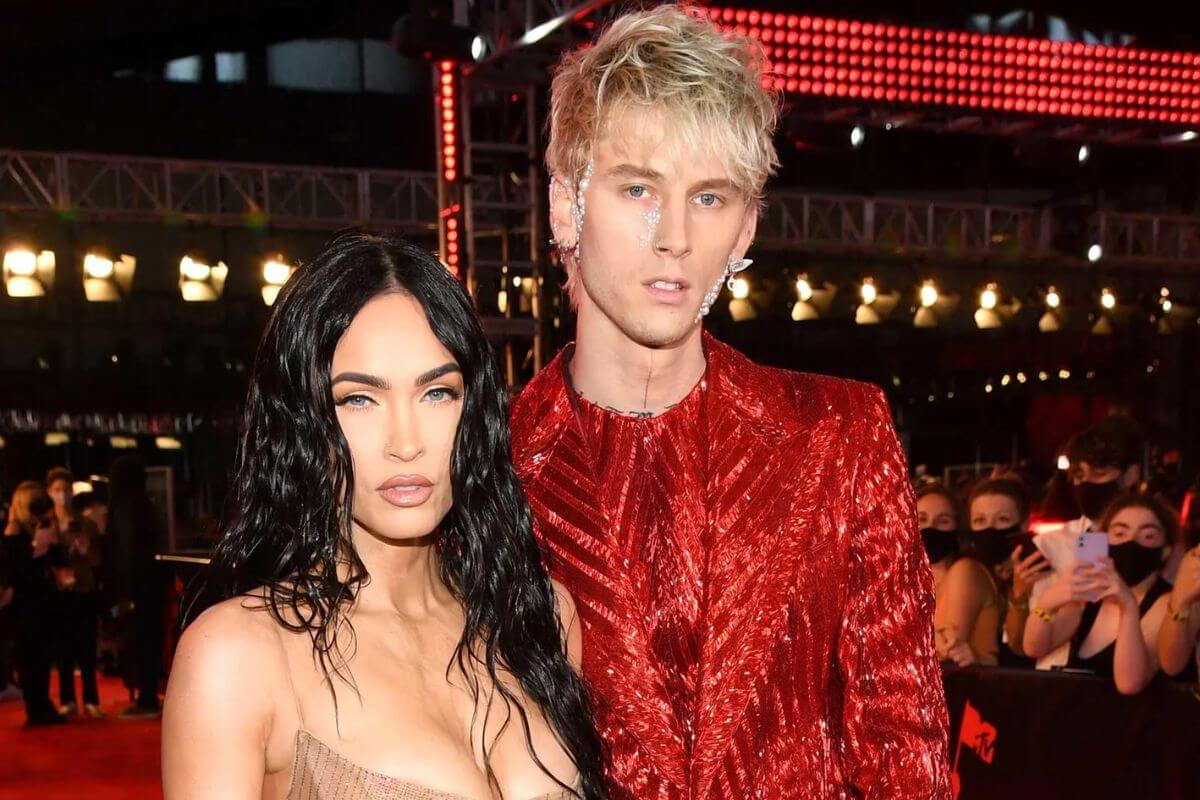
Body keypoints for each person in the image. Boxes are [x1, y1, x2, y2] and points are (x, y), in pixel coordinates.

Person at [509, 7, 950, 798]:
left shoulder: (841, 436)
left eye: (709, 198)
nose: (674, 235)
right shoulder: (488, 466)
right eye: (638, 188)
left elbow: (905, 758)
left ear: (746, 227)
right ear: (565, 204)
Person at [163, 235, 606, 799]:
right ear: (303, 422)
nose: (406, 442)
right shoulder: (237, 657)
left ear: (474, 411)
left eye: (437, 393)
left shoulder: (540, 616)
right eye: (359, 399)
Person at [1024, 493, 1175, 694]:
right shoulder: (1091, 594)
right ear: (1104, 541)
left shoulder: (1168, 603)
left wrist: (1129, 607)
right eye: (1120, 534)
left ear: (1165, 551)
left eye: (1148, 536)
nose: (1131, 542)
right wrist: (1047, 604)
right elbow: (1035, 648)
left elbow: (1129, 683)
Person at [935, 477, 1045, 666]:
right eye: (980, 520)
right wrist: (1019, 598)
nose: (989, 529)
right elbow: (949, 649)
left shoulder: (1038, 570)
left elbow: (1025, 646)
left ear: (1024, 523)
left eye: (1002, 519)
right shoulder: (969, 572)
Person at [1, 481, 65, 726]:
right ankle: (35, 709)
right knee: (29, 659)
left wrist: (51, 542)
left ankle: (43, 705)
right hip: (23, 607)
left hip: (42, 603)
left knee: (42, 657)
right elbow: (17, 573)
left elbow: (56, 560)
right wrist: (37, 550)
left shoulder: (37, 530)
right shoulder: (13, 535)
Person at [46, 467, 104, 719]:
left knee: (86, 646)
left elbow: (96, 558)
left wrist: (84, 547)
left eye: (66, 489)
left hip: (82, 588)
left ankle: (91, 699)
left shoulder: (85, 523)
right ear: (49, 492)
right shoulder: (45, 522)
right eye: (57, 490)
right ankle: (67, 699)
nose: (62, 495)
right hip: (56, 592)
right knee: (63, 649)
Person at [915, 479, 963, 592]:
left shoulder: (965, 581)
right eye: (922, 519)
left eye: (943, 521)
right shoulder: (893, 578)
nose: (931, 526)